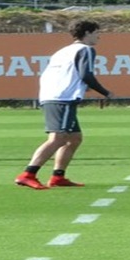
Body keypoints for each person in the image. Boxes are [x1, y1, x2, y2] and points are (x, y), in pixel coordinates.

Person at [16, 20, 112, 189]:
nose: (100, 36)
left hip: (53, 95)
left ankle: (58, 177)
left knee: (74, 138)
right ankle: (28, 174)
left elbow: (64, 74)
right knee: (57, 138)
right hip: (62, 98)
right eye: (97, 32)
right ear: (87, 33)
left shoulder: (63, 51)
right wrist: (105, 92)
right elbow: (86, 74)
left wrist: (81, 85)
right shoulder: (86, 49)